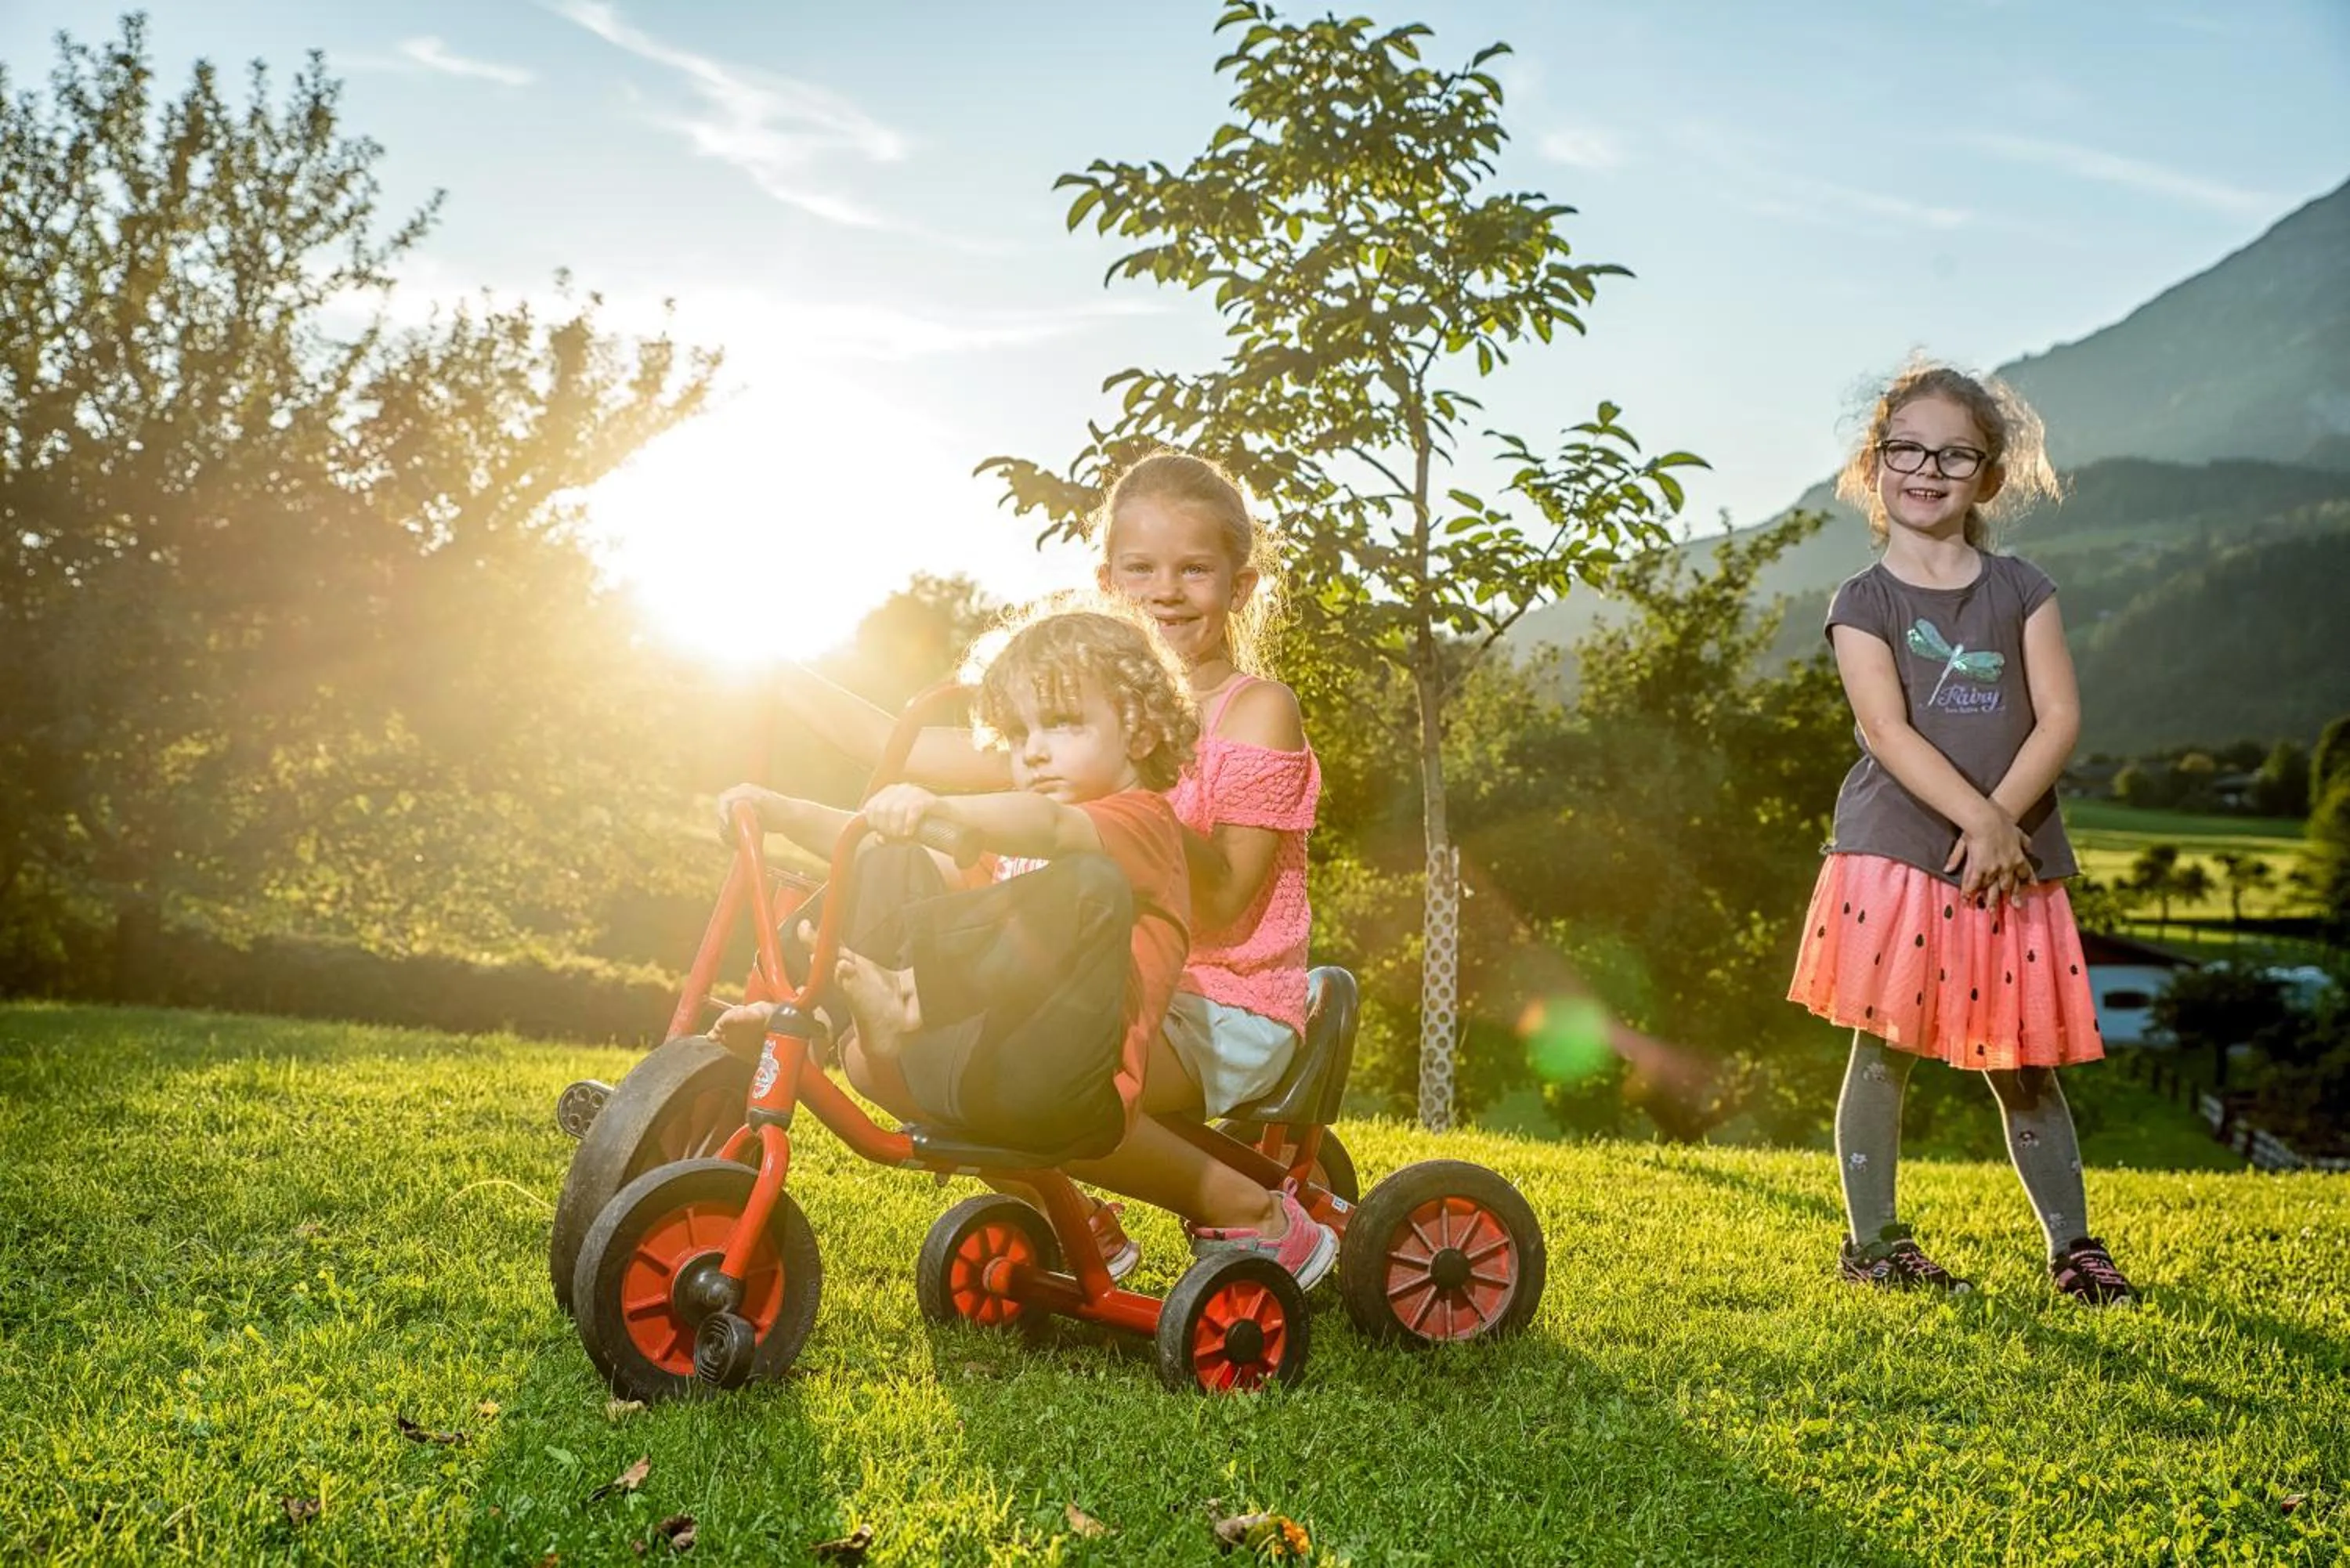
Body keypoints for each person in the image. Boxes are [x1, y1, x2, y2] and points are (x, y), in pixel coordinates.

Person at [739, 452, 1328, 1285]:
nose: (1165, 592)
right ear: (1106, 582)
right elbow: (902, 750)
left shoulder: (1253, 710)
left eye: (1194, 569)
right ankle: (1071, 1218)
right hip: (1072, 967)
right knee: (877, 1061)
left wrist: (1134, 796)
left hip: (1217, 998)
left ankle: (1245, 1207)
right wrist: (771, 670)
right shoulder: (1070, 725)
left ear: (1239, 586)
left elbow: (1229, 897)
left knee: (1027, 1070)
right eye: (1140, 570)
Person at [1787, 359, 2138, 1306]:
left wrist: (2001, 826)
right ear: (1875, 464)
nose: (1927, 470)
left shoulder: (2023, 588)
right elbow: (1885, 729)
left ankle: (2075, 1250)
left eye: (1954, 454)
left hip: (2010, 860)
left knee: (2027, 1058)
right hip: (1898, 853)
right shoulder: (1863, 602)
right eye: (1906, 449)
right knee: (1882, 1051)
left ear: (1989, 475)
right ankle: (1874, 1246)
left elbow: (2059, 717)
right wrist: (1980, 819)